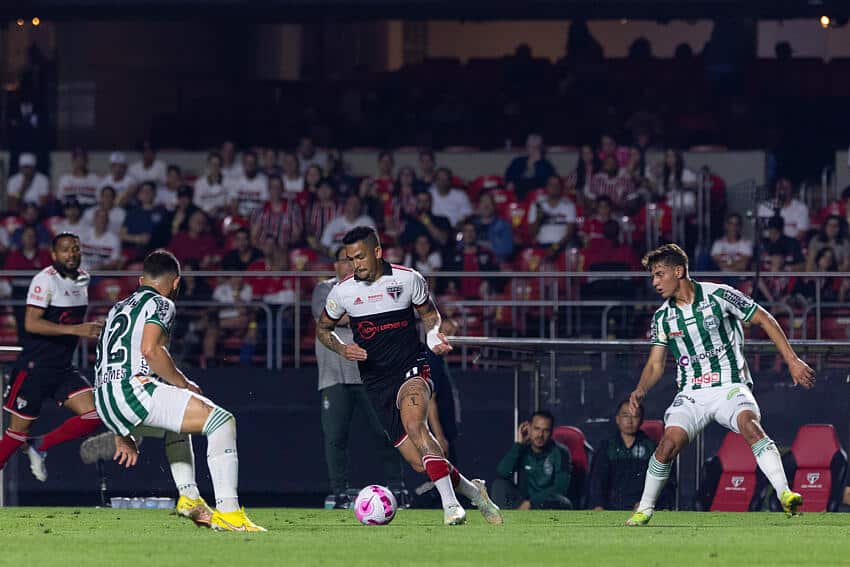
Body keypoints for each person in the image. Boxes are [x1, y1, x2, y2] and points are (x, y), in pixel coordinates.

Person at [316, 226, 502, 525]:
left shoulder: (407, 278)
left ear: (377, 252)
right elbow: (322, 329)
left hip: (411, 368)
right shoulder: (343, 292)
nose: (356, 265)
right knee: (419, 463)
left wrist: (431, 337)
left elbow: (430, 315)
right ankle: (473, 489)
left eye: (360, 257)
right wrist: (342, 349)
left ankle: (452, 506)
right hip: (376, 382)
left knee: (416, 426)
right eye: (350, 259)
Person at [625, 243, 815, 526]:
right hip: (691, 393)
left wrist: (792, 360)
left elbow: (764, 318)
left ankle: (785, 494)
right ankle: (645, 508)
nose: (654, 282)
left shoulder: (719, 294)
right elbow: (655, 365)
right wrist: (640, 389)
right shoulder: (663, 317)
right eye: (652, 276)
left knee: (751, 426)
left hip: (730, 386)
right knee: (667, 445)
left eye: (658, 274)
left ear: (679, 271)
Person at [93, 249, 265, 531]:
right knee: (222, 421)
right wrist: (184, 384)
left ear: (140, 280)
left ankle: (189, 497)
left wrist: (120, 429)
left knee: (178, 424)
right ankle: (230, 514)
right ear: (176, 283)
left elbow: (106, 359)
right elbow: (151, 351)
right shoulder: (161, 303)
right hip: (132, 390)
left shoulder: (117, 307)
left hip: (104, 397)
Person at [0, 233, 104, 483]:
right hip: (34, 368)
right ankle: (28, 445)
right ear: (54, 255)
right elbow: (31, 324)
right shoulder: (44, 280)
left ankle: (39, 445)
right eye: (66, 250)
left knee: (96, 415)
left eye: (76, 249)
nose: (71, 254)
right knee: (15, 436)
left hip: (62, 368)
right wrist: (76, 330)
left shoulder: (84, 279)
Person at [312, 245, 403, 508]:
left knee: (386, 430)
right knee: (335, 436)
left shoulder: (372, 286)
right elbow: (329, 319)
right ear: (335, 265)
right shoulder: (323, 289)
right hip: (334, 376)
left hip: (371, 373)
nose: (351, 265)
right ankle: (339, 492)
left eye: (355, 259)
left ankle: (397, 487)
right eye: (345, 260)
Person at [492, 410, 572, 510]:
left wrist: (531, 502)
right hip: (523, 501)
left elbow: (560, 487)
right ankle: (505, 521)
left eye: (546, 430)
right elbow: (502, 473)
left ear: (551, 432)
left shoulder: (561, 452)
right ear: (528, 428)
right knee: (499, 485)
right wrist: (518, 445)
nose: (540, 435)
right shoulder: (522, 449)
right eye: (536, 429)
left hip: (547, 501)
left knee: (563, 502)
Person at [589, 400, 661, 511]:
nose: (630, 421)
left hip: (641, 506)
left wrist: (646, 503)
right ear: (617, 419)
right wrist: (598, 505)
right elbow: (596, 481)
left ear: (641, 420)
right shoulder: (606, 447)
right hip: (609, 507)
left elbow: (662, 482)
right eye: (625, 415)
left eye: (635, 416)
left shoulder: (651, 448)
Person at [504, 134, 557, 198]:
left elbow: (542, 183)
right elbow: (508, 177)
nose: (532, 149)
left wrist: (538, 163)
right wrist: (510, 183)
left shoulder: (546, 165)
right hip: (517, 195)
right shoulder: (518, 161)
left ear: (541, 148)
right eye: (529, 146)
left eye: (536, 147)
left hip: (538, 197)